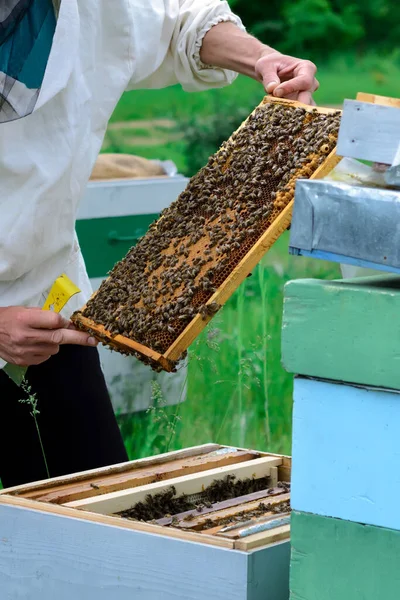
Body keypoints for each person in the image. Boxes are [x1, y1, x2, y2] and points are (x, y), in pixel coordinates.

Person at [0, 0, 319, 488]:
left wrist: (259, 57)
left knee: (98, 490)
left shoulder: (82, 9)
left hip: (49, 297)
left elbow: (177, 23)